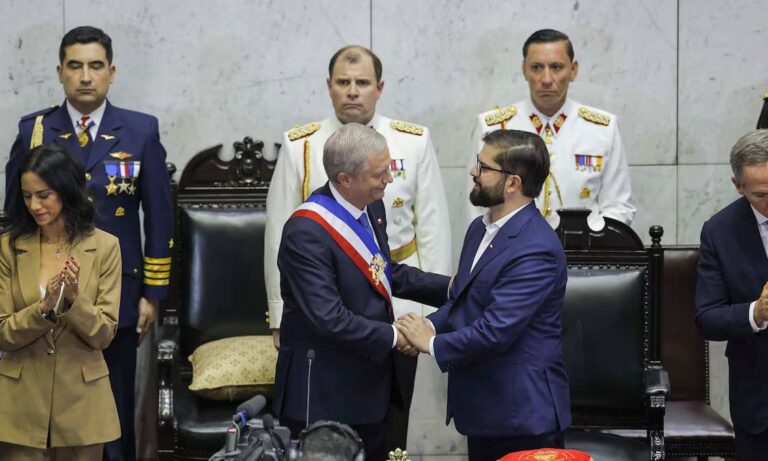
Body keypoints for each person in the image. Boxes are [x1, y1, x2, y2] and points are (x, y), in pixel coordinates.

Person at [265, 44, 452, 449]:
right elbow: (329, 316)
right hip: (328, 369)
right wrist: (393, 336)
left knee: (387, 440)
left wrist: (453, 291)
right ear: (346, 178)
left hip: (377, 347)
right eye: (343, 82)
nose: (388, 182)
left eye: (362, 82)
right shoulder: (307, 222)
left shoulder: (374, 202)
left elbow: (388, 267)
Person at [3, 26, 173, 460]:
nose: (85, 76)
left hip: (118, 286)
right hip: (39, 277)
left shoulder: (139, 130)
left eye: (95, 66)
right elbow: (14, 215)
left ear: (111, 73)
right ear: (60, 72)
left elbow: (158, 216)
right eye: (75, 66)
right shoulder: (35, 131)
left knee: (112, 395)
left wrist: (152, 294)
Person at [397, 130, 571, 461]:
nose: (473, 172)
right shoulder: (480, 228)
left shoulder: (536, 248)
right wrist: (429, 326)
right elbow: (465, 300)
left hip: (523, 417)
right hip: (485, 409)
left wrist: (430, 344)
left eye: (484, 166)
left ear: (512, 184)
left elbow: (495, 331)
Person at [0, 143, 121, 460]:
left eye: (44, 195)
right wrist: (42, 310)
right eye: (27, 196)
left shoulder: (106, 247)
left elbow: (104, 334)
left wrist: (72, 301)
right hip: (19, 407)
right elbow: (3, 333)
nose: (34, 205)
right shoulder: (8, 248)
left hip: (83, 408)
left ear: (66, 191)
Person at [469, 29, 635, 230]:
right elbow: (477, 209)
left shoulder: (603, 129)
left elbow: (618, 206)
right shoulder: (494, 126)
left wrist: (591, 245)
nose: (546, 79)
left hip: (584, 251)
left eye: (556, 67)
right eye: (537, 67)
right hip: (513, 253)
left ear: (573, 70)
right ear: (524, 69)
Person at [695, 129, 768, 461]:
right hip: (759, 401)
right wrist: (757, 312)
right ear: (739, 186)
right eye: (762, 194)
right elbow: (708, 318)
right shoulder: (720, 231)